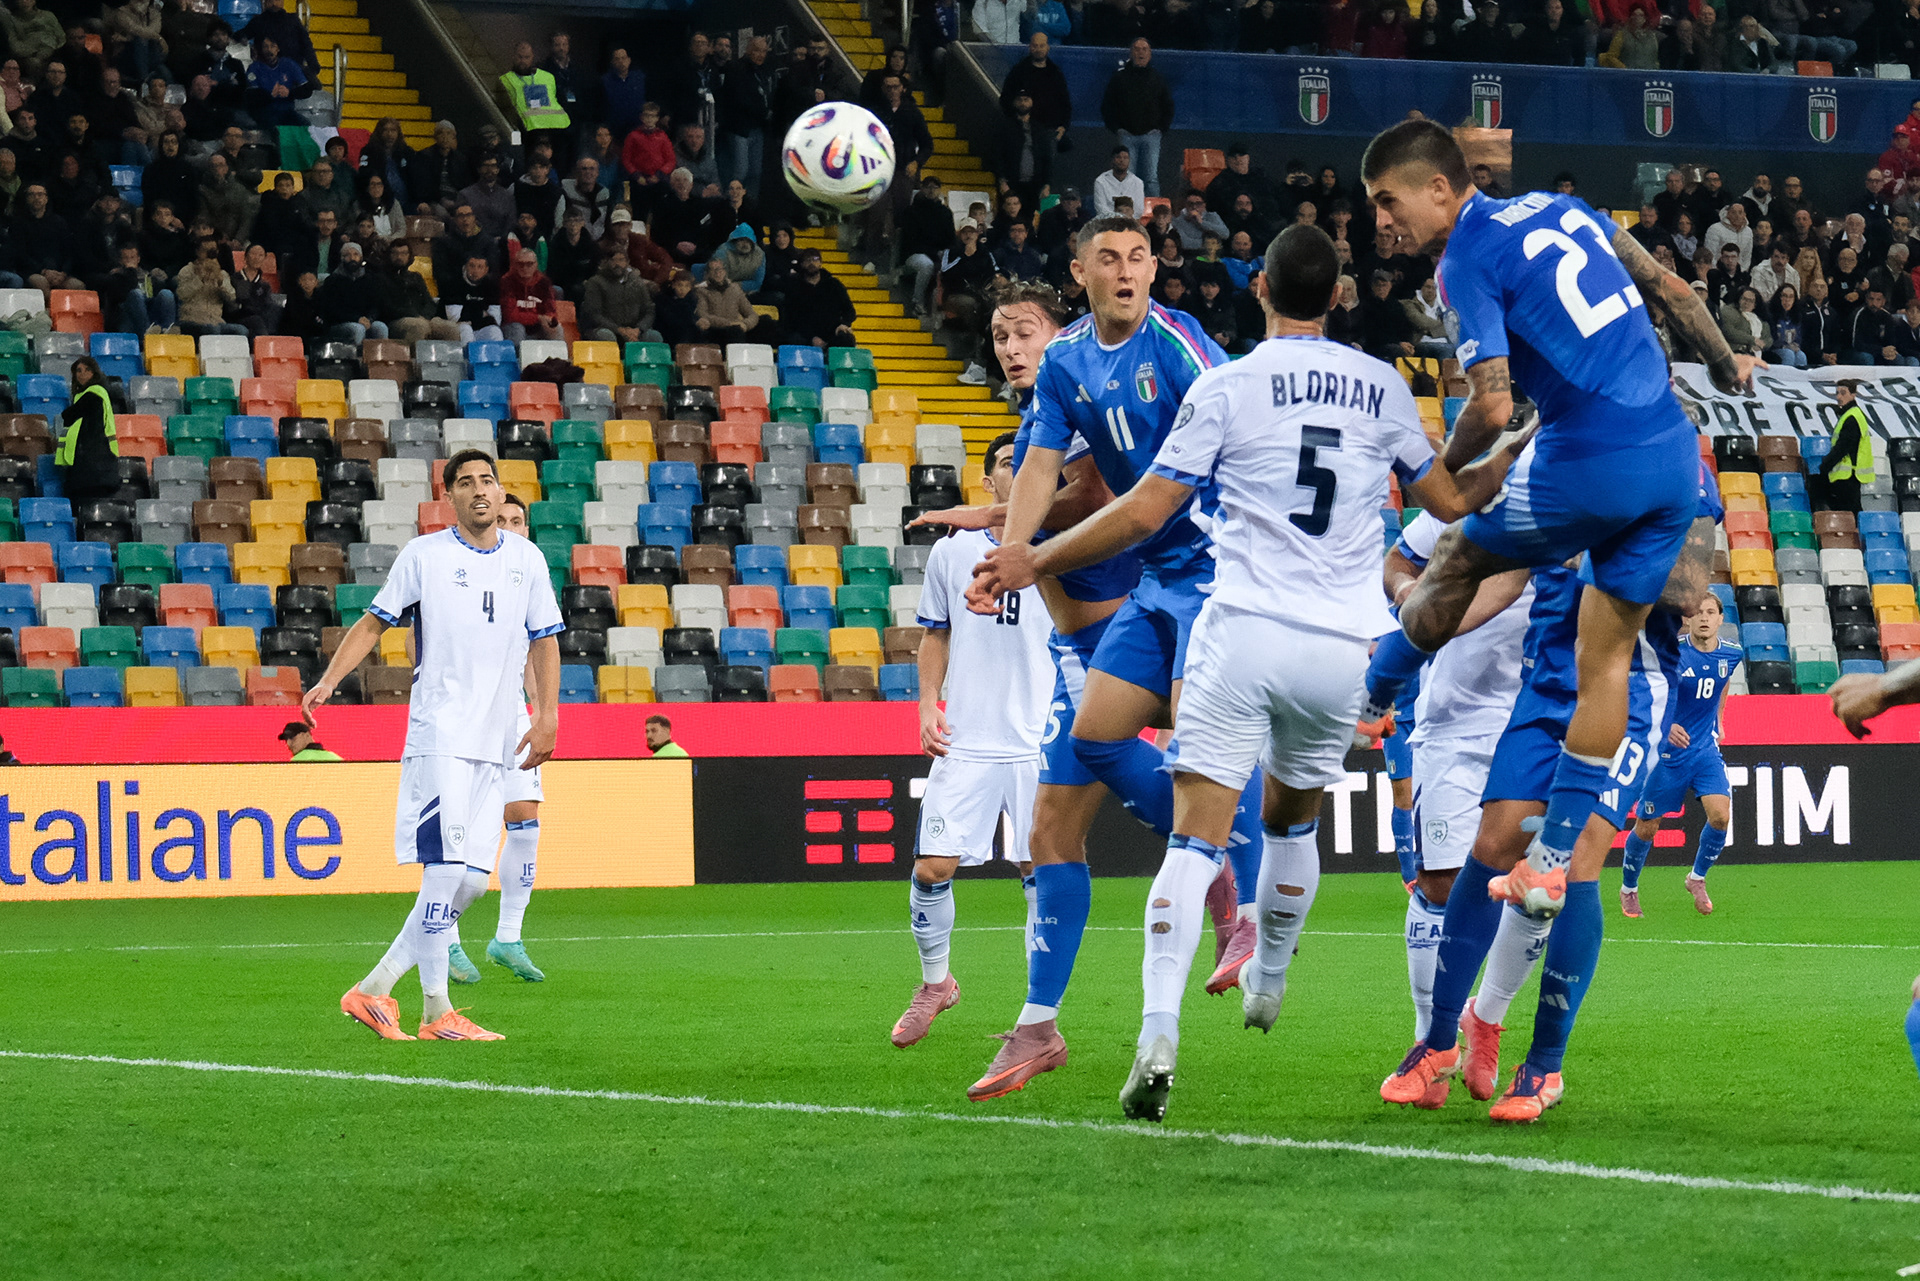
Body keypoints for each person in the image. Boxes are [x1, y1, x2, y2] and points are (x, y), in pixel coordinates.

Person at [970, 224, 1519, 1121]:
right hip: (1338, 644)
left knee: (1194, 837)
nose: (1125, 271)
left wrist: (1030, 556)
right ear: (1341, 294)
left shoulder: (1220, 375)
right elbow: (1450, 501)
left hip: (1234, 616)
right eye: (1108, 258)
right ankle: (1266, 977)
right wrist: (1515, 449)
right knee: (1280, 809)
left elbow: (1148, 505)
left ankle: (1160, 1029)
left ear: (1257, 286)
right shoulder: (1381, 386)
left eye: (1135, 256)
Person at [1354, 119, 1757, 946]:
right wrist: (1727, 369)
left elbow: (1494, 405)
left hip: (1591, 458)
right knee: (1603, 653)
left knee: (1457, 552)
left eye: (1387, 201)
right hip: (1672, 459)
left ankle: (1380, 688)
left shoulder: (1463, 257)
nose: (1381, 221)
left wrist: (1439, 475)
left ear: (1441, 186)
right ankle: (1554, 853)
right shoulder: (1565, 208)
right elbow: (1676, 294)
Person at [960, 216, 1254, 1104]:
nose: (1013, 347)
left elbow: (1095, 495)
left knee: (1174, 767)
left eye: (1139, 258)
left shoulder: (1177, 348)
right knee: (1054, 821)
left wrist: (1013, 545)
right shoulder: (1065, 375)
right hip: (1121, 612)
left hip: (1200, 581)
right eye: (1000, 336)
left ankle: (1235, 858)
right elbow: (1036, 477)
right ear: (1082, 273)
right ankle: (1040, 1024)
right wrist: (1006, 558)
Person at [317, 450, 561, 1042]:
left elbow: (545, 640)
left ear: (502, 492)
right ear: (447, 497)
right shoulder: (425, 555)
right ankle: (435, 1010)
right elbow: (375, 622)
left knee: (472, 882)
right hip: (442, 737)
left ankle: (373, 991)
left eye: (489, 481)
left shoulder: (527, 559)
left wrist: (549, 715)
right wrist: (330, 679)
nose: (481, 491)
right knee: (445, 870)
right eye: (466, 483)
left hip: (498, 742)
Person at [892, 430, 1053, 1049]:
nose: (1022, 472)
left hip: (1041, 737)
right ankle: (936, 984)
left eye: (1034, 463)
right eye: (1011, 463)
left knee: (1040, 873)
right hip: (970, 738)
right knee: (932, 868)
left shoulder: (1060, 547)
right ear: (989, 481)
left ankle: (1037, 1015)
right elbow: (936, 634)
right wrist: (928, 704)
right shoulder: (952, 553)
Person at [1620, 593, 1742, 919]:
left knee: (1720, 816)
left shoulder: (1732, 654)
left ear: (1720, 618)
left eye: (1711, 612)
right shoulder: (1672, 653)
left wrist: (1720, 721)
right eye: (1698, 612)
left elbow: (1722, 683)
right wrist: (1666, 724)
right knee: (1647, 827)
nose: (1704, 617)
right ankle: (1629, 888)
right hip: (1668, 754)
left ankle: (1696, 878)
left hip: (1704, 750)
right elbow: (1650, 690)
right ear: (1687, 618)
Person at [1100, 39, 1173, 199]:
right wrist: (1117, 128)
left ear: (1150, 54)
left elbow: (1168, 105)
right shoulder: (1119, 78)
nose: (1141, 52)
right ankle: (1127, 214)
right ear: (1131, 53)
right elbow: (1107, 105)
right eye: (1137, 49)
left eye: (1144, 49)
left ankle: (1155, 217)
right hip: (1127, 135)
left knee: (1150, 179)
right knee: (1126, 178)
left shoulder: (1158, 78)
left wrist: (1161, 129)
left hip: (1151, 136)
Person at [55, 355, 120, 502]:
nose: (82, 374)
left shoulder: (93, 394)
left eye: (87, 370)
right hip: (98, 464)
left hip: (92, 467)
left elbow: (68, 415)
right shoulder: (94, 394)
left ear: (94, 373)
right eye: (78, 370)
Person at [499, 40, 570, 162]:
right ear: (513, 56)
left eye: (527, 57)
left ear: (532, 58)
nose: (523, 60)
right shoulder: (505, 80)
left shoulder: (548, 77)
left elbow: (556, 100)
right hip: (526, 131)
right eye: (520, 57)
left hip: (555, 128)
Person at [579, 247, 656, 344]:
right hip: (603, 329)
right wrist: (619, 330)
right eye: (613, 260)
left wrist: (638, 329)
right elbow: (594, 314)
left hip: (633, 330)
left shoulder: (638, 283)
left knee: (653, 336)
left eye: (621, 260)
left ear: (627, 262)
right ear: (606, 262)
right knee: (606, 336)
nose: (617, 264)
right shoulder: (595, 282)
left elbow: (649, 311)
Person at [1819, 378, 1873, 513]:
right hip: (1850, 475)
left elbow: (1842, 447)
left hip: (1847, 475)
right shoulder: (1853, 415)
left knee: (1847, 516)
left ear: (1853, 394)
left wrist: (1825, 465)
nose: (1838, 397)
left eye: (1843, 393)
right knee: (1852, 515)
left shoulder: (1851, 417)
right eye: (1837, 393)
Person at [497, 247, 559, 343]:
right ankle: (517, 357)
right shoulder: (507, 281)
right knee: (517, 329)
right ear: (514, 265)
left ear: (536, 265)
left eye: (529, 264)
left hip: (539, 325)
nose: (525, 268)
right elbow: (509, 315)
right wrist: (537, 318)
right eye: (520, 264)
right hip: (513, 325)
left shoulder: (544, 282)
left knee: (556, 328)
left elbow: (551, 310)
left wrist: (549, 320)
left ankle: (557, 357)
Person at [693, 256, 759, 343]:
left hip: (737, 327)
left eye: (720, 269)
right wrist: (729, 323)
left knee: (767, 321)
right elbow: (702, 314)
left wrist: (745, 324)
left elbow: (751, 313)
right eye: (714, 270)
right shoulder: (701, 291)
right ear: (708, 273)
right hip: (716, 329)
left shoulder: (735, 288)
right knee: (735, 331)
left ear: (725, 271)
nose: (718, 273)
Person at [1091, 146, 1145, 220]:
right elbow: (1101, 208)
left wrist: (1126, 219)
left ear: (1129, 161)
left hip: (1130, 223)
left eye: (1125, 158)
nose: (1122, 160)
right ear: (1112, 160)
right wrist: (1117, 219)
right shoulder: (1101, 181)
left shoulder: (1137, 182)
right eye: (1118, 157)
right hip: (1107, 223)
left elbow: (1139, 209)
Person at [278, 720, 343, 761]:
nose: (289, 744)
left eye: (293, 739)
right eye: (286, 741)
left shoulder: (298, 761)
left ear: (307, 736)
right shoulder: (334, 757)